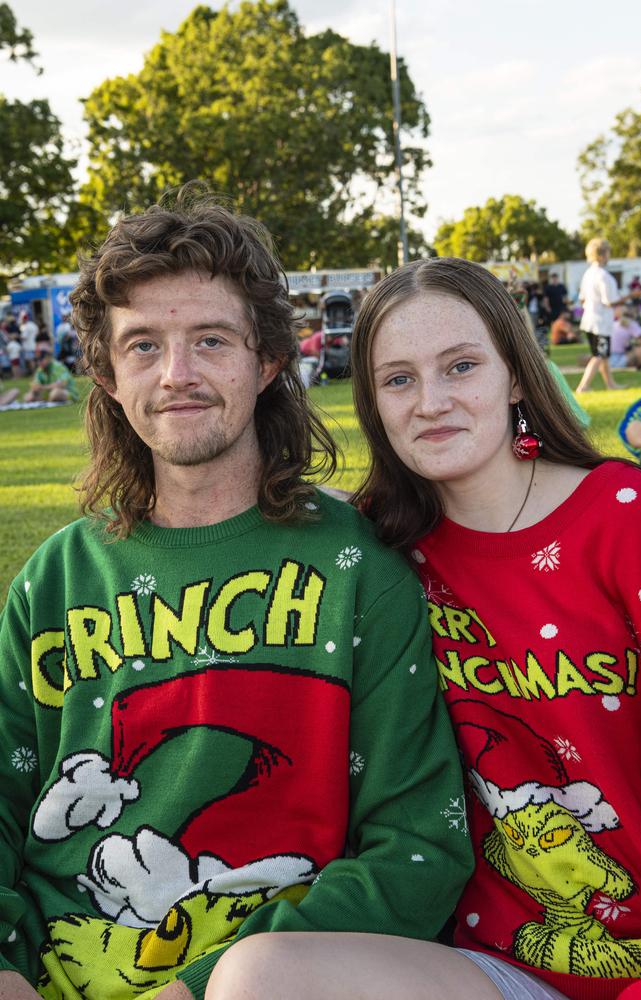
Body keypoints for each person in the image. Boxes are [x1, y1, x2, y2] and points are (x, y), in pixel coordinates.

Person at [0, 192, 472, 1000]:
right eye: (143, 345)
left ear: (267, 362)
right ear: (111, 377)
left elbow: (418, 846)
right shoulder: (56, 577)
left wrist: (206, 985)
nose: (176, 375)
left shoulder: (361, 571)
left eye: (209, 341)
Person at [343, 257, 641, 1000]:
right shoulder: (383, 554)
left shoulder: (624, 517)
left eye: (461, 366)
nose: (431, 402)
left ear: (516, 375)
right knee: (260, 979)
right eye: (399, 379)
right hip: (499, 965)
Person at [575, 238, 630, 392]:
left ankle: (610, 384)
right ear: (603, 254)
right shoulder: (605, 276)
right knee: (599, 355)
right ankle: (583, 386)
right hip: (601, 323)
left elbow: (582, 298)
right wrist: (630, 297)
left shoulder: (588, 274)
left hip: (588, 320)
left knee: (603, 356)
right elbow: (609, 301)